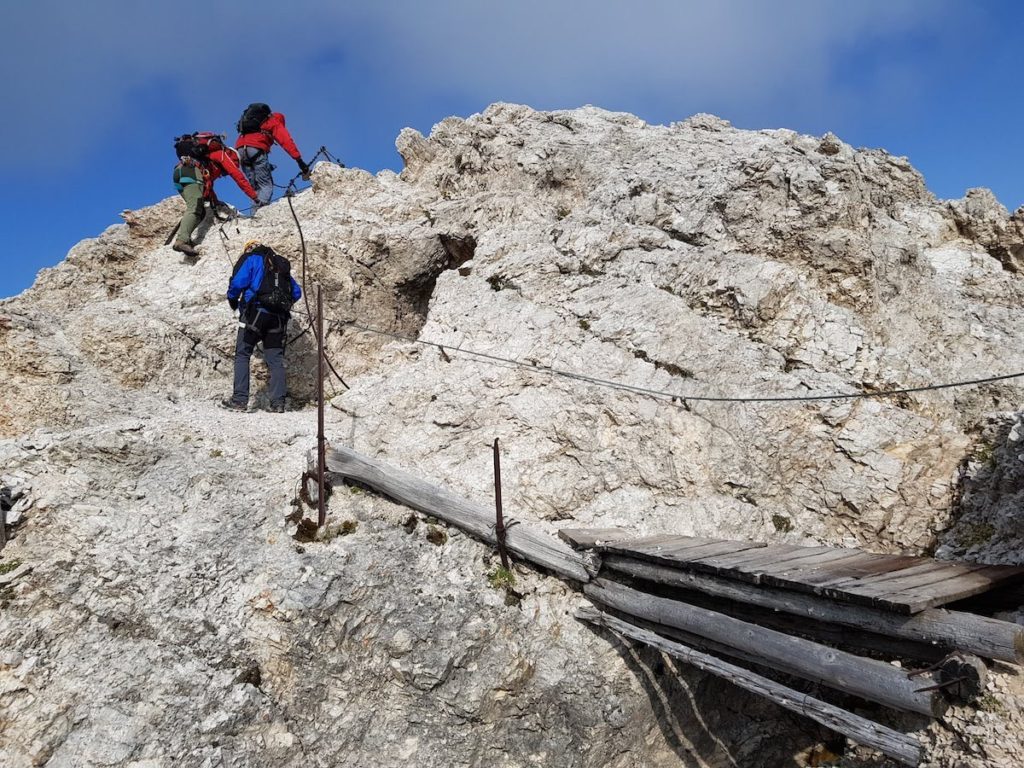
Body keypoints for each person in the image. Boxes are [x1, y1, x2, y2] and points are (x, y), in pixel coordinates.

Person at [222, 240, 302, 412]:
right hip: (278, 318)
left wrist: (232, 299)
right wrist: (279, 304)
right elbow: (296, 292)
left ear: (249, 249)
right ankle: (278, 403)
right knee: (275, 360)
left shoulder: (251, 259)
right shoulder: (278, 264)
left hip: (255, 314)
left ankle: (239, 400)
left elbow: (237, 283)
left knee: (243, 354)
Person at [172, 133, 260, 257]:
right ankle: (181, 241)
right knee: (194, 207)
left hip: (179, 173)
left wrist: (216, 202)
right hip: (191, 172)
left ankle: (185, 239)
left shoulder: (208, 162)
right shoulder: (222, 155)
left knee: (200, 211)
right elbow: (238, 176)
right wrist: (254, 197)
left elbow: (209, 186)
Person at [235, 103, 311, 207]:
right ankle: (261, 214)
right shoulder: (274, 121)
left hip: (240, 150)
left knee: (255, 188)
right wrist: (299, 161)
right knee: (265, 185)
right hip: (256, 148)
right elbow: (286, 141)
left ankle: (254, 215)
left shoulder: (253, 122)